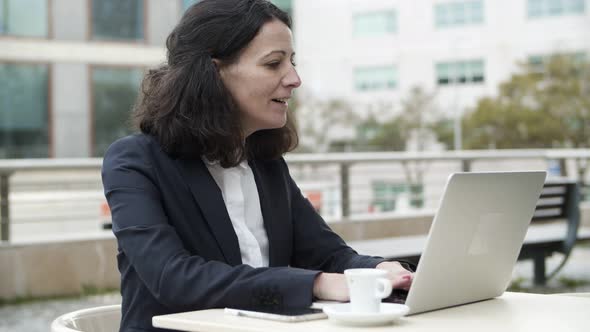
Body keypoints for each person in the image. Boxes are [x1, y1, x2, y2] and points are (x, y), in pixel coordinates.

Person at [101, 0, 413, 331]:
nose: (294, 79)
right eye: (273, 64)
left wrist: (380, 270)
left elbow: (328, 255)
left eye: (291, 62)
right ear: (213, 71)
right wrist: (316, 283)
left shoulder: (266, 164)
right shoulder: (135, 162)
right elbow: (173, 278)